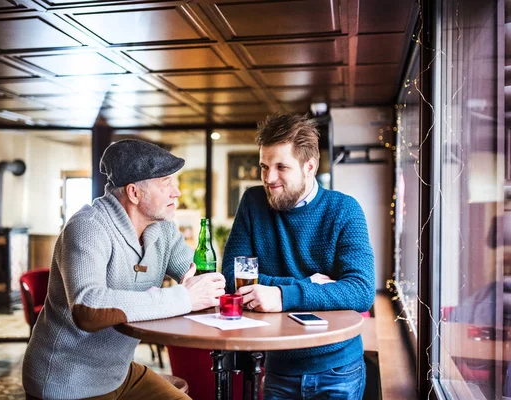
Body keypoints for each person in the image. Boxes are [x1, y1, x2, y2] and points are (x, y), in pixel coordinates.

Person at [23, 139, 226, 400]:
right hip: (68, 381)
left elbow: (198, 274)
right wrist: (183, 297)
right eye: (166, 183)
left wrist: (205, 283)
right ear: (134, 193)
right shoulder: (88, 227)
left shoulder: (162, 229)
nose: (176, 192)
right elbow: (89, 307)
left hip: (119, 372)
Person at [222, 113, 375, 400]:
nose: (269, 178)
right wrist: (308, 285)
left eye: (281, 167)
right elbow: (233, 275)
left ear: (310, 166)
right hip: (279, 364)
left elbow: (361, 291)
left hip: (338, 368)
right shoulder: (253, 203)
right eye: (264, 167)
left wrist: (281, 295)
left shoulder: (344, 210)